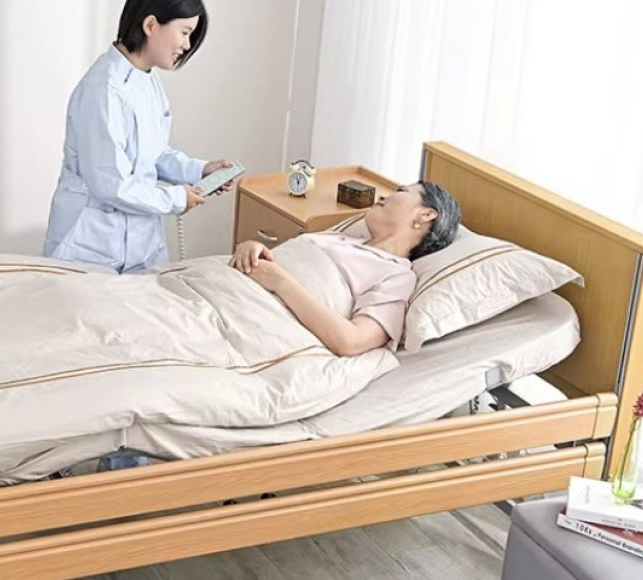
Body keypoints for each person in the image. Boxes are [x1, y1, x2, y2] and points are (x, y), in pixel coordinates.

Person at [43, 0, 234, 274]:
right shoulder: (104, 90)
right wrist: (176, 199)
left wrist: (200, 170)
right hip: (91, 247)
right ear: (150, 25)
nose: (187, 45)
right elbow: (111, 185)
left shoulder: (146, 80)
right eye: (184, 32)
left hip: (141, 247)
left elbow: (152, 154)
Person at [230, 181, 462, 356]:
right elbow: (286, 261)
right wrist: (253, 248)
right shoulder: (340, 239)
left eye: (401, 191)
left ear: (426, 214)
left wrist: (281, 282)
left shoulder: (397, 274)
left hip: (251, 316)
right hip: (229, 288)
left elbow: (352, 341)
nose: (384, 195)